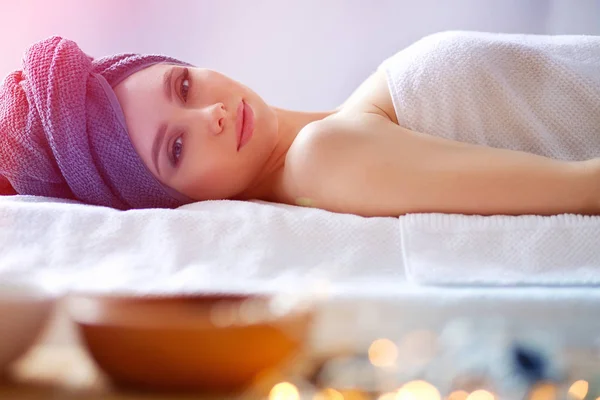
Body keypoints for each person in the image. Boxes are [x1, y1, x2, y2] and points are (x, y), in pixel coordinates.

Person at [1, 31, 599, 217]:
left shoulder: (340, 127)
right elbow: (584, 188)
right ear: (163, 198)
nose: (209, 113)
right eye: (175, 147)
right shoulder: (325, 158)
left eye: (181, 85)